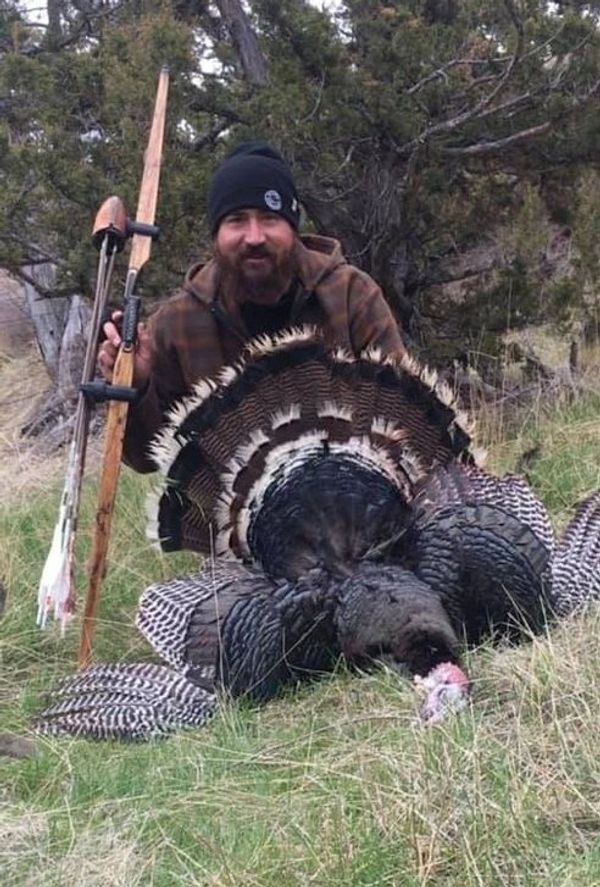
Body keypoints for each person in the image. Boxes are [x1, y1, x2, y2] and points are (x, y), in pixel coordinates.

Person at [99, 141, 407, 473]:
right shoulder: (177, 323)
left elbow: (402, 414)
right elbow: (146, 459)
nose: (255, 236)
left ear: (293, 227)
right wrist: (136, 386)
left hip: (350, 506)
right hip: (228, 521)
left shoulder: (350, 294)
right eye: (237, 220)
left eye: (269, 218)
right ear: (216, 233)